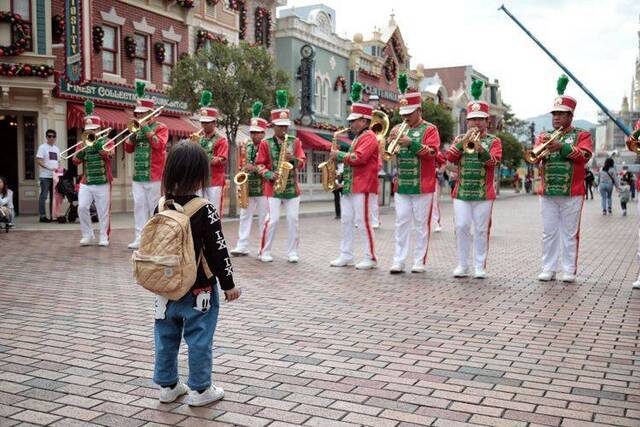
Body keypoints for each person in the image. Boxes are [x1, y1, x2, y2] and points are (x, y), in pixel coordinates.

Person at [152, 140, 240, 407]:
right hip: (198, 286)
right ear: (200, 173)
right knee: (199, 337)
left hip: (165, 286)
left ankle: (168, 385)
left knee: (165, 335)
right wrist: (229, 285)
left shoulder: (161, 205)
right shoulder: (204, 209)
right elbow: (218, 251)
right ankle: (200, 390)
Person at [532, 75, 593, 283]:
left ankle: (569, 270)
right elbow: (534, 158)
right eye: (555, 114)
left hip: (572, 191)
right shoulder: (543, 136)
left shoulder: (582, 135)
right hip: (548, 191)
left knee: (569, 233)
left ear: (570, 116)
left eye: (561, 114)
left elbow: (585, 156)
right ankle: (548, 268)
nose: (556, 117)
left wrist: (563, 147)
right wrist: (540, 155)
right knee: (548, 233)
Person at [446, 80, 502, 279]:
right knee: (461, 227)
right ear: (467, 121)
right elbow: (449, 158)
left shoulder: (494, 141)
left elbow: (493, 163)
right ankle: (462, 264)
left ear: (487, 121)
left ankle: (479, 265)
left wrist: (480, 149)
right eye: (472, 119)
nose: (476, 123)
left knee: (480, 229)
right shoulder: (459, 139)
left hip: (483, 192)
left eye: (480, 119)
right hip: (461, 191)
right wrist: (462, 144)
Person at [388, 74, 441, 274]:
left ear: (419, 110)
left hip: (423, 184)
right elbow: (391, 156)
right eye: (403, 114)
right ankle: (398, 260)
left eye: (409, 113)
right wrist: (389, 145)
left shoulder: (430, 129)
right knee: (401, 222)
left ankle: (419, 260)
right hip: (402, 184)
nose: (405, 118)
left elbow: (433, 153)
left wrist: (413, 144)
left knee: (421, 225)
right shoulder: (397, 129)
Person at [329, 82, 379, 270]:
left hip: (363, 186)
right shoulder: (358, 138)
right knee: (346, 220)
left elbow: (359, 158)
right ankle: (346, 254)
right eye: (351, 120)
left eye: (355, 120)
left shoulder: (369, 137)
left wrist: (338, 155)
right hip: (351, 186)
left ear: (365, 121)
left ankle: (371, 257)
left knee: (362, 221)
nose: (351, 123)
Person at [256, 90, 306, 263]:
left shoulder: (295, 141)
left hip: (292, 187)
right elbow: (259, 165)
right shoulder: (265, 143)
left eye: (286, 126)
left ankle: (292, 252)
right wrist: (270, 174)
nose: (284, 129)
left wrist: (294, 159)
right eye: (281, 126)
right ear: (273, 126)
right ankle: (265, 251)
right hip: (273, 187)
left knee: (293, 220)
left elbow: (302, 162)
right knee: (273, 220)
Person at [125, 82, 169, 249]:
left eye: (142, 114)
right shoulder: (136, 129)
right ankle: (139, 237)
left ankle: (156, 239)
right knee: (139, 207)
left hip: (155, 174)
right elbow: (128, 149)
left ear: (151, 114)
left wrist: (146, 130)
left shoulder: (161, 127)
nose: (138, 116)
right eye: (137, 114)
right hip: (138, 175)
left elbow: (159, 145)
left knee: (154, 207)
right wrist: (131, 136)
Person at [230, 101, 269, 256]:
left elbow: (271, 167)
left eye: (257, 132)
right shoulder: (247, 145)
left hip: (263, 187)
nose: (254, 135)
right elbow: (242, 163)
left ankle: (263, 247)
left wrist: (257, 169)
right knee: (244, 216)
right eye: (252, 132)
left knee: (262, 219)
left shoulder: (267, 146)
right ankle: (242, 245)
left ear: (263, 133)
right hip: (248, 187)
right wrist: (243, 169)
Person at [72, 101, 113, 246]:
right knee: (82, 207)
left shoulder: (107, 141)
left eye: (94, 130)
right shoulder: (81, 143)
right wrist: (82, 151)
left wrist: (97, 144)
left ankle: (103, 236)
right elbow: (75, 161)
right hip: (86, 182)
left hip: (102, 181)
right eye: (89, 130)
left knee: (103, 211)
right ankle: (87, 235)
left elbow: (109, 154)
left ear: (99, 129)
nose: (91, 133)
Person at [196, 90, 228, 214]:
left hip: (215, 181)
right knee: (199, 212)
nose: (204, 125)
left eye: (207, 123)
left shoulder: (221, 140)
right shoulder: (199, 138)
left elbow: (220, 160)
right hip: (200, 181)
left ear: (214, 123)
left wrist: (201, 155)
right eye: (202, 122)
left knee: (213, 212)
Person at [36, 129, 61, 222]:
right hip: (45, 176)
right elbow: (38, 160)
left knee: (54, 197)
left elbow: (58, 162)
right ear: (46, 137)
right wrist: (48, 168)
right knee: (44, 196)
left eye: (53, 136)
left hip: (54, 176)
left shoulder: (57, 149)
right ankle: (42, 216)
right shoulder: (42, 147)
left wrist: (59, 172)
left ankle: (52, 216)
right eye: (49, 136)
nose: (51, 138)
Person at [431, 153, 446, 233]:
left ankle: (437, 223)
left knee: (434, 203)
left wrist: (439, 172)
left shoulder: (438, 153)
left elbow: (444, 163)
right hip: (422, 180)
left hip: (433, 180)